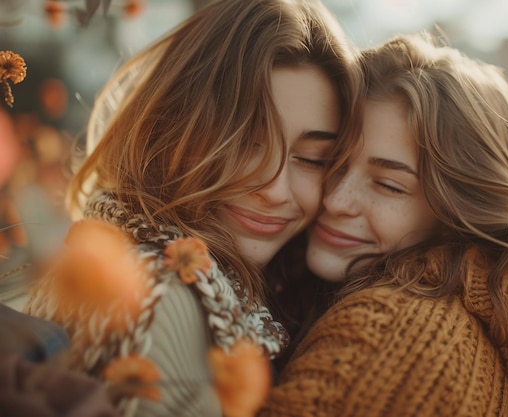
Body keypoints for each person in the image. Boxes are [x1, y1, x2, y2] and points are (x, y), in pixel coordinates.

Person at [23, 0, 361, 416]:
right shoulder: (157, 297)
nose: (274, 190)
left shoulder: (239, 289)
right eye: (244, 144)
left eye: (312, 159)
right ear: (175, 126)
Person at [262, 33, 508, 417]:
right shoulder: (463, 314)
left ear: (456, 213)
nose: (335, 200)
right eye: (332, 162)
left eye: (388, 185)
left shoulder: (385, 348)